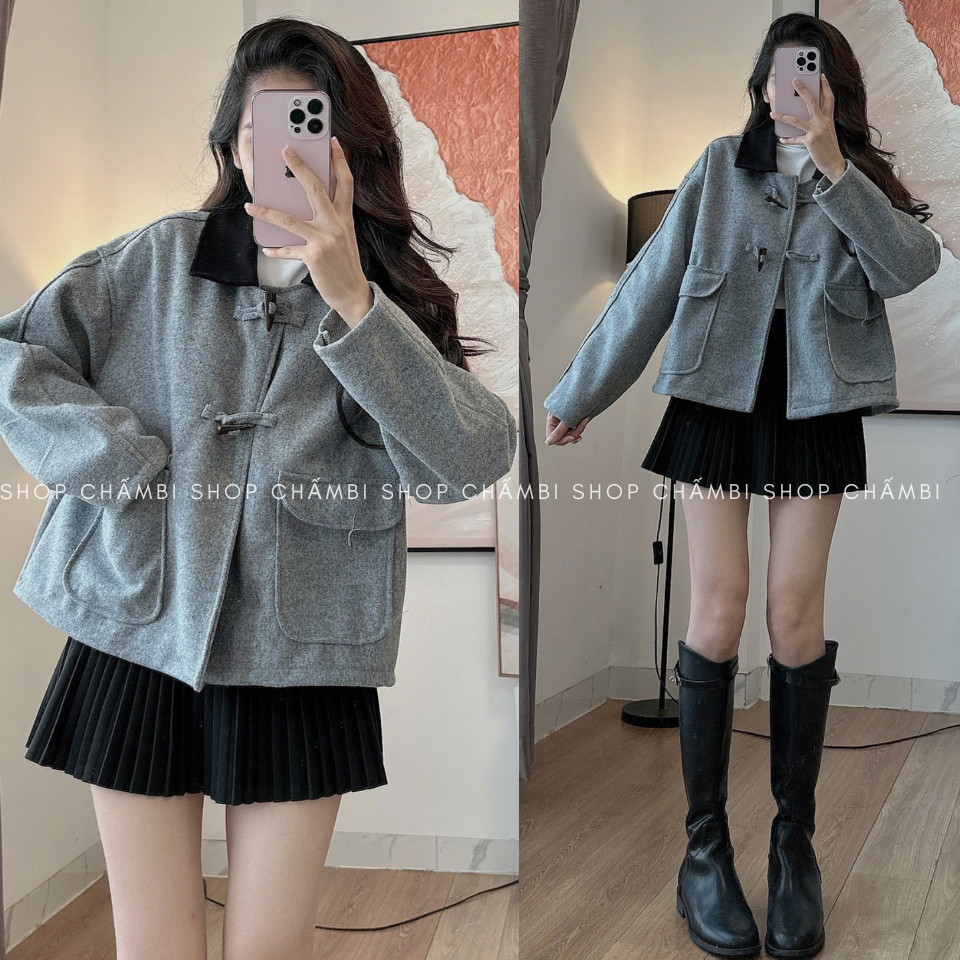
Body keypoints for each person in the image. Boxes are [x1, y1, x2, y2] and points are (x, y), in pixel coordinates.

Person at [0, 17, 516, 960]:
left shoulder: (388, 299)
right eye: (257, 131)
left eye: (307, 130)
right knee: (155, 944)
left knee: (270, 946)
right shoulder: (154, 263)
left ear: (349, 149)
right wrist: (117, 464)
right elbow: (10, 361)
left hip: (304, 648)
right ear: (234, 147)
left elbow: (470, 459)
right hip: (140, 625)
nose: (279, 154)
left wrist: (353, 297)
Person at [541, 13, 940, 960]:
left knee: (794, 618)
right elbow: (651, 282)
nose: (790, 87)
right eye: (779, 73)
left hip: (817, 404)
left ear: (833, 89)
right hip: (715, 398)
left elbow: (910, 268)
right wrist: (583, 391)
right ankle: (704, 853)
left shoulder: (859, 182)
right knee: (716, 613)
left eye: (811, 73)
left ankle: (793, 848)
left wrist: (835, 164)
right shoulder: (720, 166)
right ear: (761, 85)